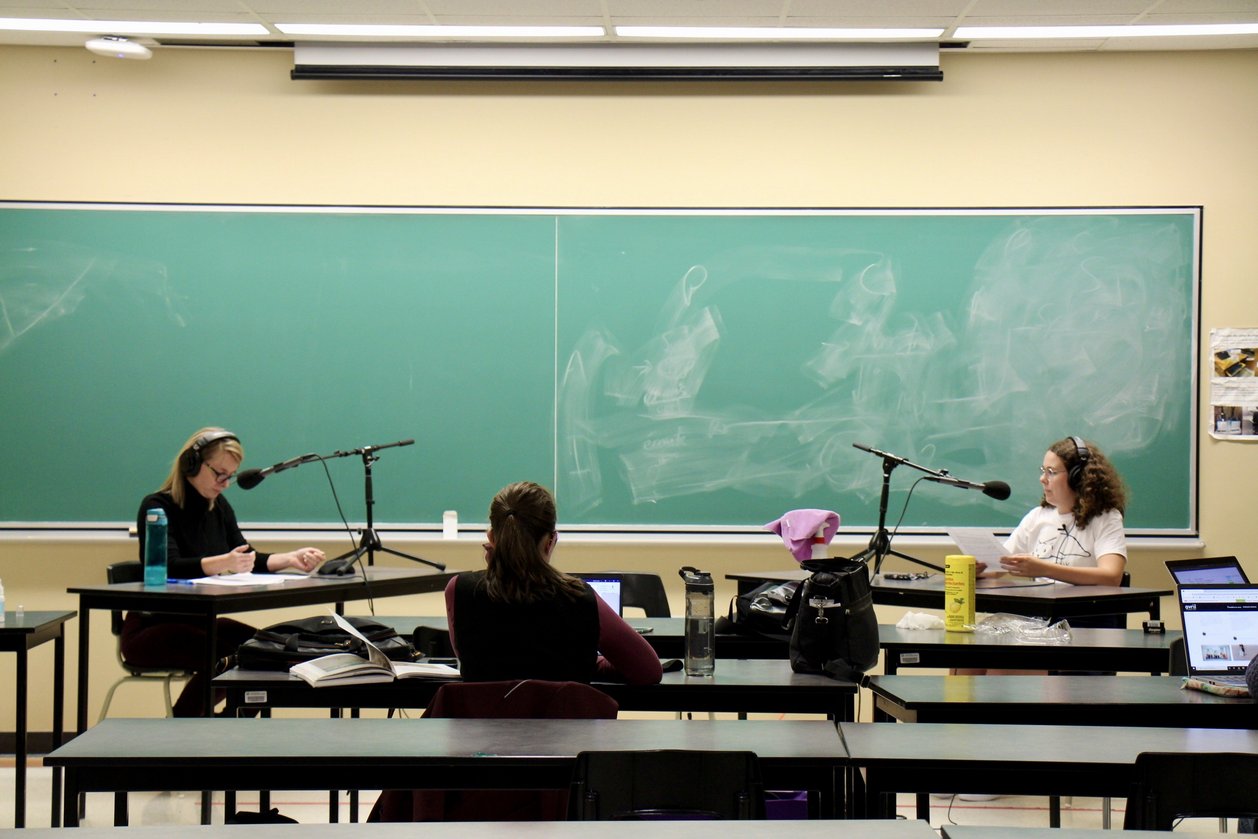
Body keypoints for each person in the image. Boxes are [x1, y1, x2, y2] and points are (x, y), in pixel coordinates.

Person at [128, 427, 325, 716]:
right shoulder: (158, 507)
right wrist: (221, 563)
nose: (225, 483)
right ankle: (183, 729)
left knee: (266, 650)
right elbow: (167, 566)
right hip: (151, 627)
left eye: (230, 476)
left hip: (200, 623)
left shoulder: (217, 506)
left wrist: (290, 559)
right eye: (219, 473)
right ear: (191, 464)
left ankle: (227, 728)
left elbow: (245, 556)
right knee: (228, 656)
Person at [446, 480, 662, 686]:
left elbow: (472, 663)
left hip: (481, 725)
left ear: (491, 537)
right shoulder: (579, 596)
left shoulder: (459, 590)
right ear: (551, 542)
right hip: (564, 725)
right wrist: (585, 663)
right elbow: (648, 671)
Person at [996, 436, 1128, 587]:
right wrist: (975, 569)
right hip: (1040, 608)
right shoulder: (1036, 516)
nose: (1042, 479)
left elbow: (1111, 577)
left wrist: (1045, 569)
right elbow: (997, 567)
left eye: (1051, 472)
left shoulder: (1105, 518)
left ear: (1077, 478)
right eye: (1043, 471)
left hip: (1082, 608)